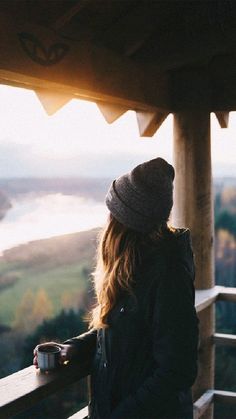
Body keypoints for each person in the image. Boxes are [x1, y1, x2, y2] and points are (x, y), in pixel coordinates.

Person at [33, 157, 199, 419]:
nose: (107, 218)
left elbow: (177, 371)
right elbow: (123, 332)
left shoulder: (168, 274)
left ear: (125, 222)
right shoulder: (136, 264)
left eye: (112, 210)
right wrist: (75, 347)